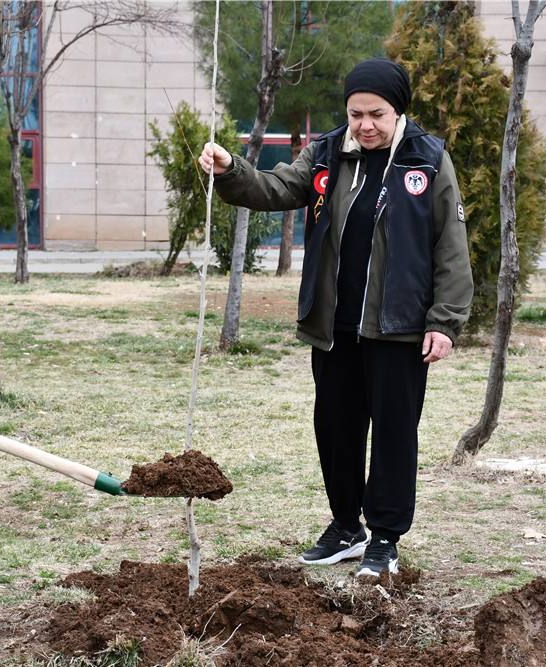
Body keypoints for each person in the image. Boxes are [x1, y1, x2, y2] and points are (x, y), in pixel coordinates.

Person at [199, 58, 473, 578]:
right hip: (334, 327)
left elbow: (451, 247)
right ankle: (347, 526)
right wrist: (231, 169)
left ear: (399, 112)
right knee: (336, 428)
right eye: (355, 114)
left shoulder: (429, 159)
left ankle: (385, 538)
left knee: (394, 433)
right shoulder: (326, 152)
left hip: (400, 327)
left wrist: (445, 319)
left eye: (377, 114)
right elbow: (275, 188)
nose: (365, 124)